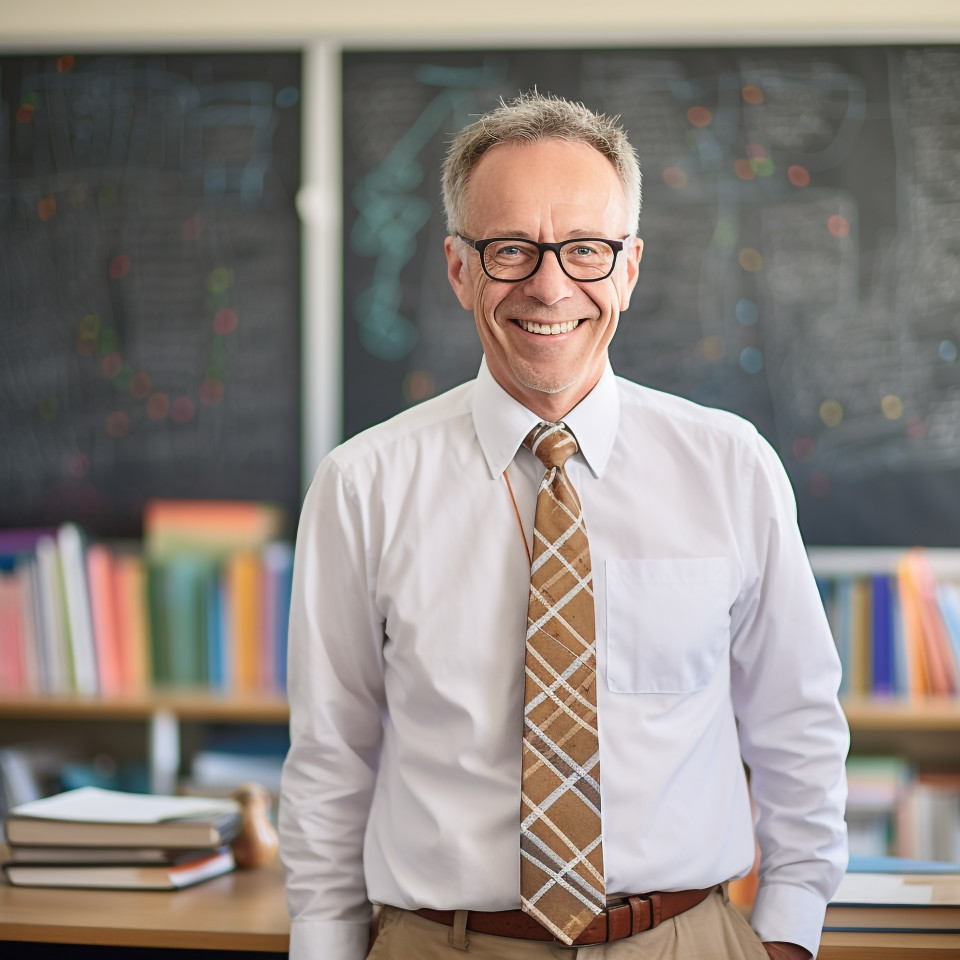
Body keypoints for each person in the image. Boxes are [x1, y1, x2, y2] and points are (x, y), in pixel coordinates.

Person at [279, 92, 848, 960]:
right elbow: (331, 759)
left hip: (686, 941)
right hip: (444, 944)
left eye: (585, 250)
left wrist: (791, 931)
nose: (550, 286)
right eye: (510, 250)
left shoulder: (732, 468)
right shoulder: (364, 484)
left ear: (628, 267)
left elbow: (795, 722)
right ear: (459, 268)